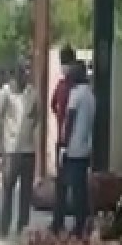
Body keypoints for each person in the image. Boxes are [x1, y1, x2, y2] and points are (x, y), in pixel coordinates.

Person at [0, 60, 38, 238]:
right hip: (11, 149)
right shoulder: (6, 92)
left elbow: (37, 115)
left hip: (28, 150)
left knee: (26, 193)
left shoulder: (32, 93)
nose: (23, 76)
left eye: (25, 72)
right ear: (14, 75)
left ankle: (23, 227)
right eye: (21, 72)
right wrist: (4, 138)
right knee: (8, 190)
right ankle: (4, 227)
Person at [52, 59, 96, 236]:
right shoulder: (91, 96)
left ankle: (59, 224)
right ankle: (81, 224)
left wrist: (63, 144)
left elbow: (69, 120)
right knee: (81, 190)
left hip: (72, 149)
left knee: (62, 187)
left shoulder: (76, 95)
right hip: (85, 148)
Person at [50, 44, 77, 172]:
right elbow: (53, 104)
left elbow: (53, 105)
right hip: (67, 137)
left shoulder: (70, 87)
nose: (64, 66)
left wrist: (60, 115)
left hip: (68, 137)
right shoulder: (64, 85)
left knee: (63, 172)